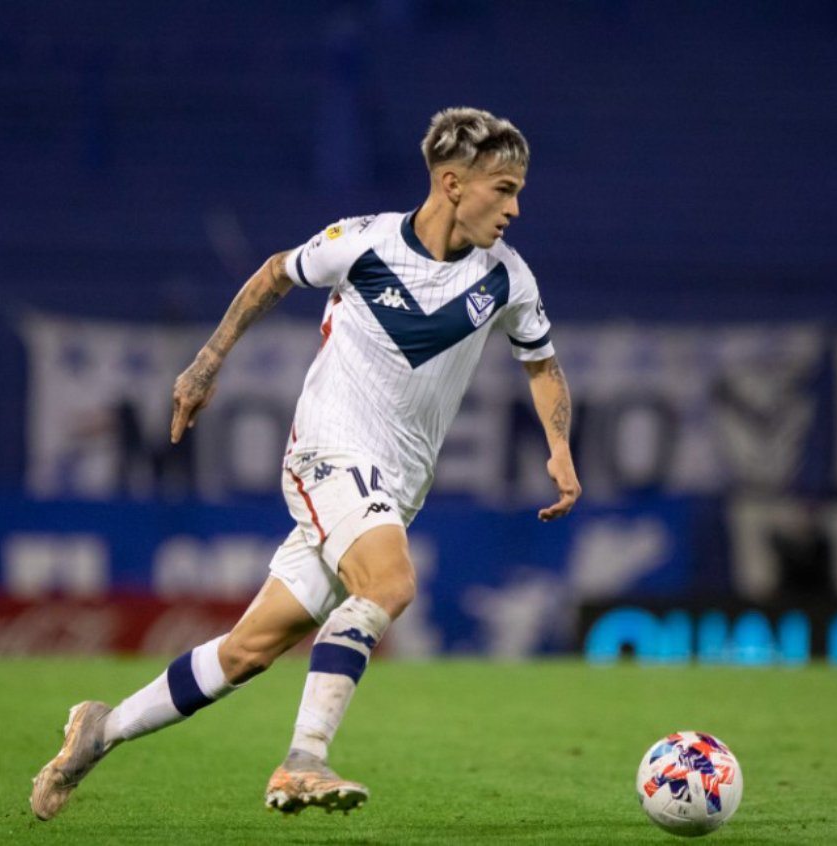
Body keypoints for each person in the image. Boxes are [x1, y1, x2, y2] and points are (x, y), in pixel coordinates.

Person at [30, 106, 581, 820]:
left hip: (394, 485)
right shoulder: (362, 244)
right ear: (451, 183)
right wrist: (204, 367)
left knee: (248, 651)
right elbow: (271, 276)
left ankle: (102, 730)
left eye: (518, 192)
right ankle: (303, 760)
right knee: (389, 583)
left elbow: (542, 364)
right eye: (502, 189)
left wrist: (560, 447)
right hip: (329, 453)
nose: (514, 208)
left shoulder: (506, 278)